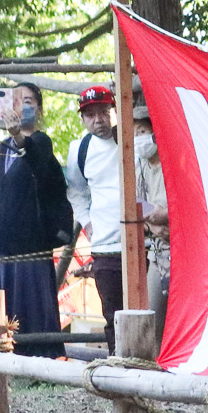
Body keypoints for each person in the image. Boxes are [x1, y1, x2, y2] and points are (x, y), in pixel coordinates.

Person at [0, 83, 71, 357]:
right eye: (18, 100)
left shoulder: (41, 142)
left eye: (29, 101)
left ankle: (38, 357)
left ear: (38, 109)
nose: (23, 106)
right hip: (0, 245)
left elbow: (35, 160)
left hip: (29, 245)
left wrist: (19, 135)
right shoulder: (3, 147)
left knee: (31, 310)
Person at [63, 84, 125, 351]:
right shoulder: (80, 149)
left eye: (103, 111)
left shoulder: (134, 138)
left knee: (147, 309)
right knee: (112, 313)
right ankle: (119, 370)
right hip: (105, 245)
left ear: (114, 110)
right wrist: (87, 222)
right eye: (90, 114)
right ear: (83, 119)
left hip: (145, 242)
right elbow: (76, 192)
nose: (98, 119)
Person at [131, 102, 170, 326]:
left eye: (143, 132)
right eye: (135, 134)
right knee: (152, 318)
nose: (139, 139)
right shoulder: (140, 169)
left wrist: (164, 215)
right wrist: (153, 223)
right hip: (156, 252)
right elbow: (136, 205)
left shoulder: (173, 163)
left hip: (182, 252)